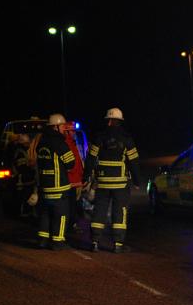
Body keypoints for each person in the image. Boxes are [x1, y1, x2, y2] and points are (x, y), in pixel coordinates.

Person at [85, 107, 141, 253]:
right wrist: (136, 181)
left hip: (103, 182)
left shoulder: (99, 137)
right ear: (120, 121)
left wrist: (86, 177)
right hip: (120, 184)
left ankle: (95, 241)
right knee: (119, 212)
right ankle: (118, 244)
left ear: (108, 120)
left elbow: (90, 159)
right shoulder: (127, 138)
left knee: (99, 211)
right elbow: (134, 162)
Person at [35, 114, 76, 250]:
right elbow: (71, 163)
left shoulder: (41, 143)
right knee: (61, 214)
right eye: (63, 126)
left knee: (45, 214)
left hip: (45, 187)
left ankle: (42, 240)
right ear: (56, 127)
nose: (64, 129)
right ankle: (57, 242)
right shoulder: (59, 143)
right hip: (59, 187)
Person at [60, 122, 84, 229]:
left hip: (75, 180)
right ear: (67, 132)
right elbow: (70, 165)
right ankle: (70, 224)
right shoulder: (66, 144)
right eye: (72, 131)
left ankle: (72, 223)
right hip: (70, 181)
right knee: (70, 205)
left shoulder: (72, 143)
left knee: (73, 204)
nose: (74, 133)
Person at [12, 134, 35, 217]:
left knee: (25, 196)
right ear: (24, 143)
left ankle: (25, 212)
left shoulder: (21, 151)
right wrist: (31, 166)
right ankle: (23, 213)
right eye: (28, 143)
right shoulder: (20, 152)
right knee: (24, 196)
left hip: (23, 179)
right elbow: (22, 167)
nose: (29, 145)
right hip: (22, 180)